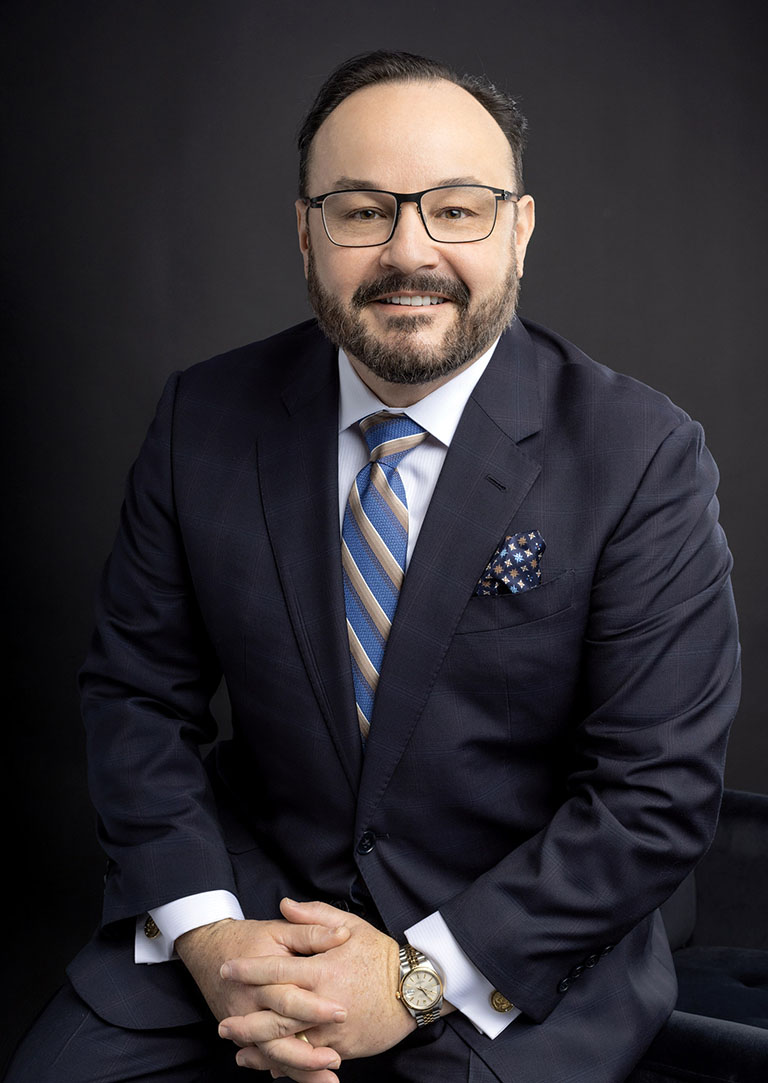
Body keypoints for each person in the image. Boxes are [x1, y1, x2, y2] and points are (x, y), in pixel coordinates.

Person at [7, 50, 740, 1083]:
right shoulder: (201, 419)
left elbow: (652, 795)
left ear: (519, 228)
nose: (410, 252)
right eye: (360, 210)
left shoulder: (642, 457)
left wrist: (410, 979)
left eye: (457, 209)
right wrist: (211, 939)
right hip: (248, 906)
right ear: (305, 232)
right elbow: (136, 697)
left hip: (511, 944)